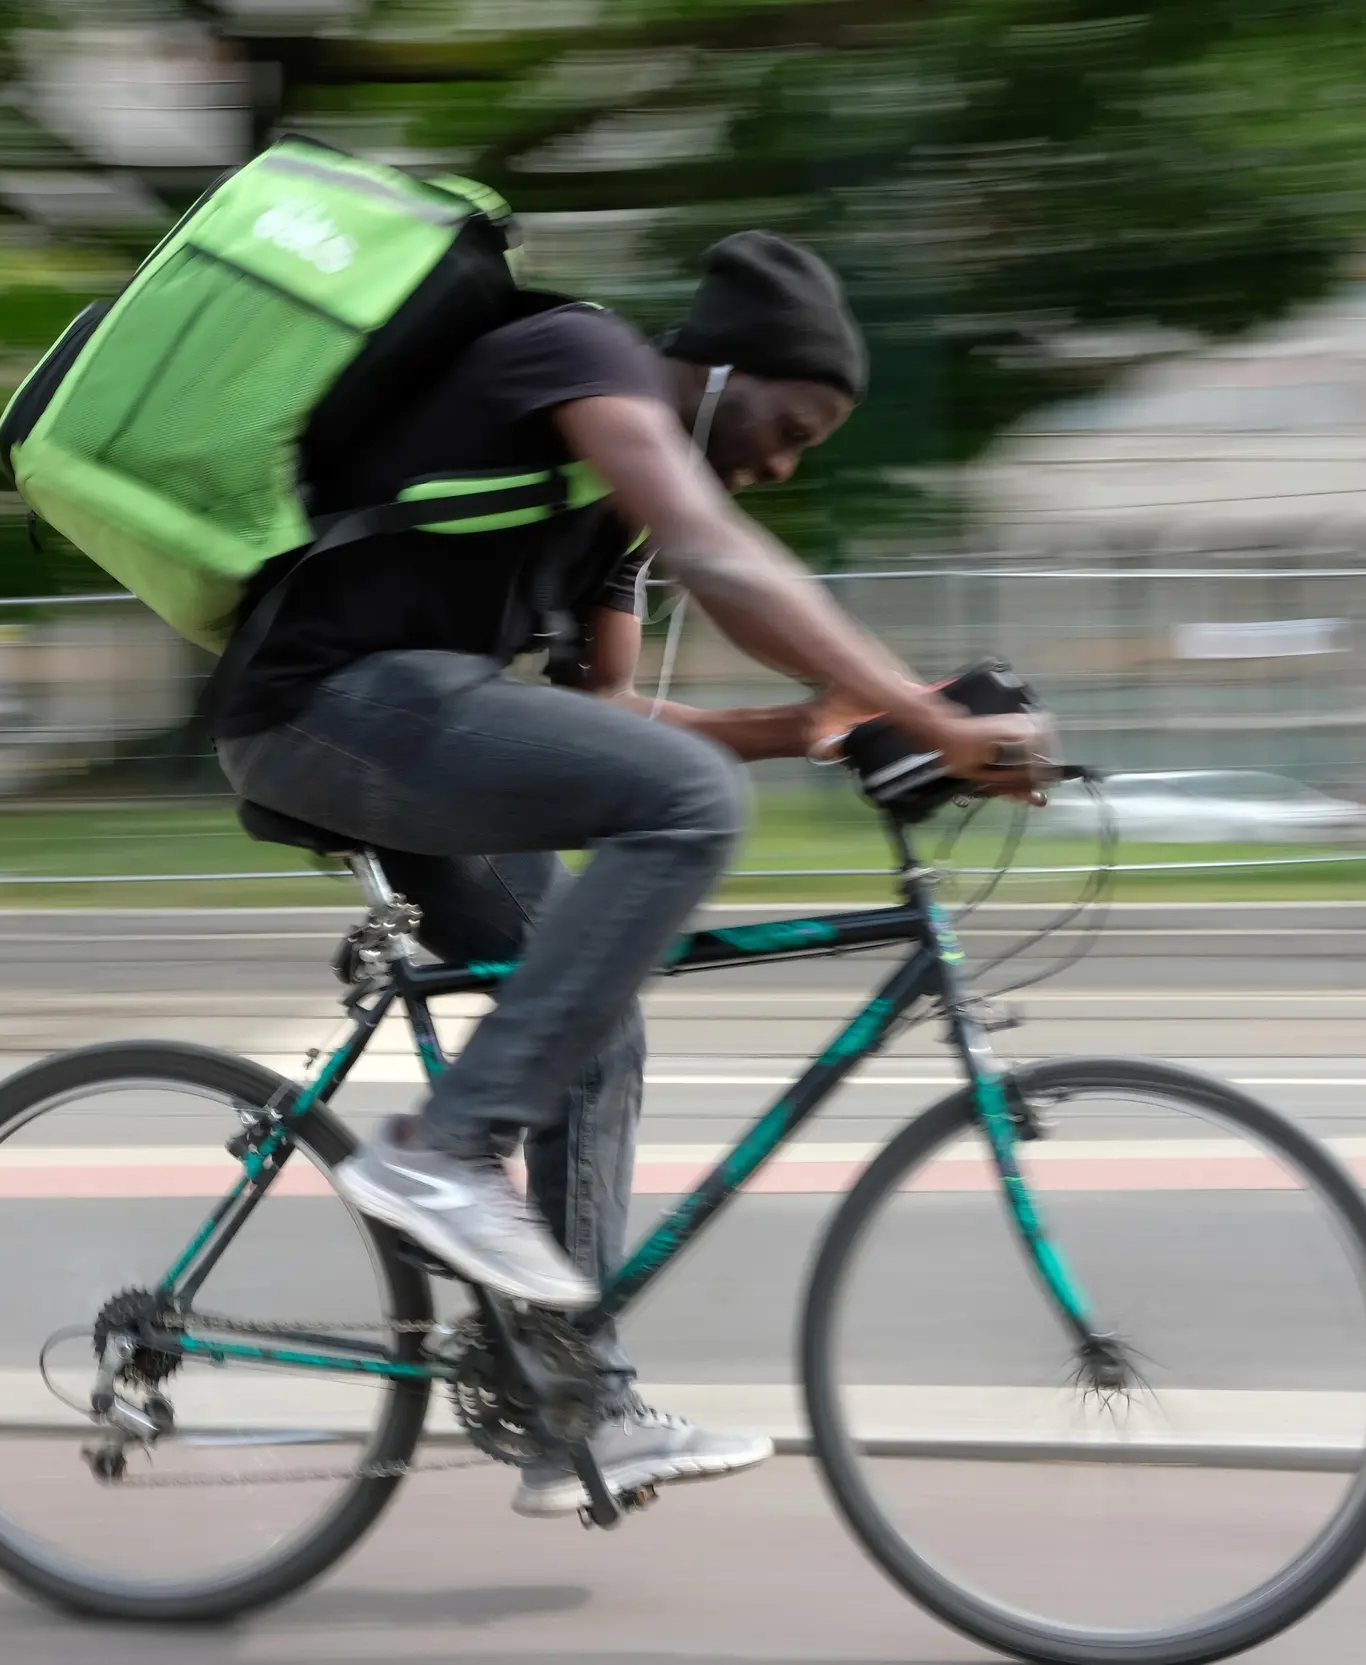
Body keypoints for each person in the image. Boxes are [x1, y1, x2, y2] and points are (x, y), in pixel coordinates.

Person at [212, 231, 1048, 1516]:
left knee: (590, 1018)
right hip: (324, 712)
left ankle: (573, 1411)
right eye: (793, 423)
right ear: (719, 371)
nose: (782, 460)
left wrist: (809, 729)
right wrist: (927, 715)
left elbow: (607, 720)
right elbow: (717, 555)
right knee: (689, 810)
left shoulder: (609, 517)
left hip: (418, 728)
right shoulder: (582, 357)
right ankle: (442, 1150)